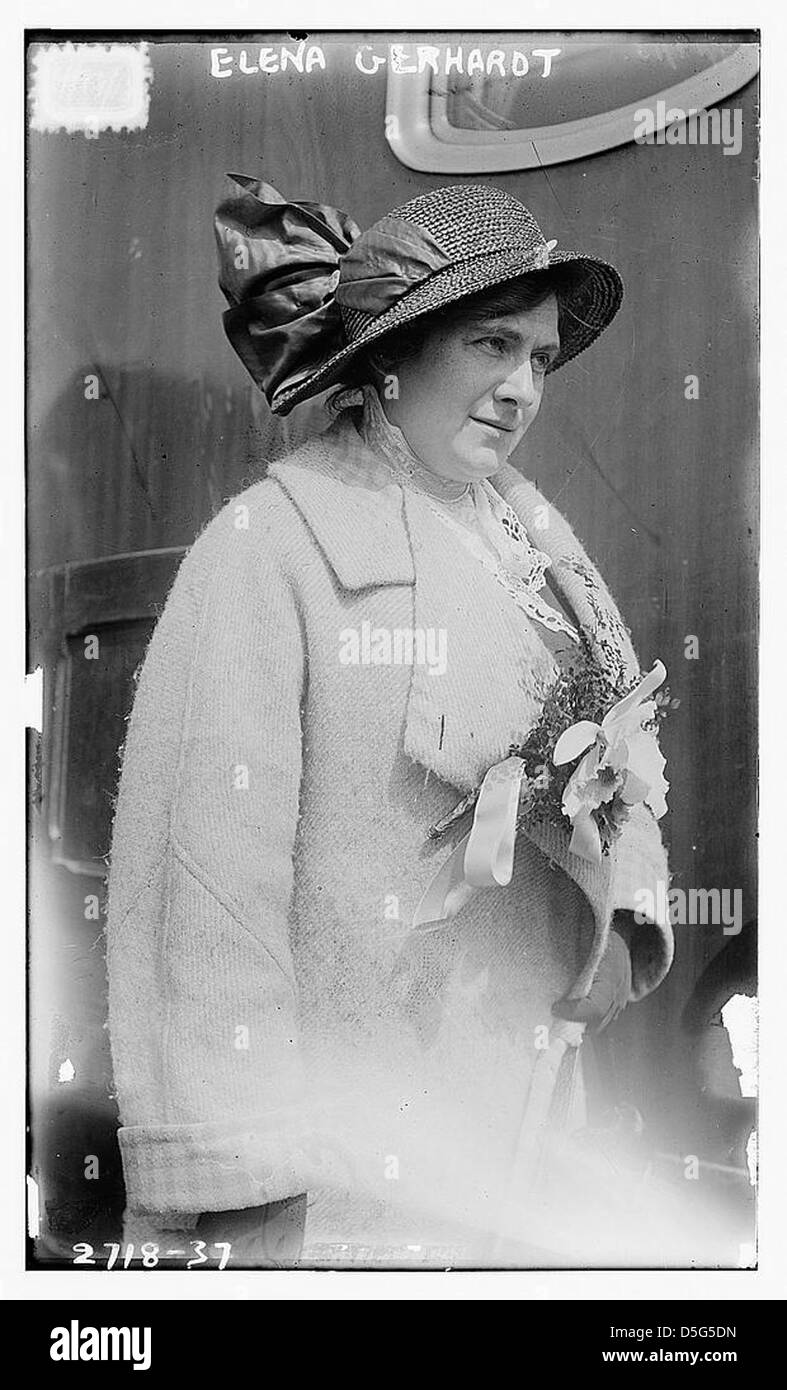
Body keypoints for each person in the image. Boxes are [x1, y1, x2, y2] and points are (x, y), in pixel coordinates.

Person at [106, 179, 673, 1268]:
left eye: (541, 358)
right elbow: (206, 900)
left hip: (515, 1136)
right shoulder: (266, 550)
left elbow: (621, 758)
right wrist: (245, 1189)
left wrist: (614, 930)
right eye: (492, 343)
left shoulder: (543, 551)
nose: (520, 389)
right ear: (389, 360)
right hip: (341, 1169)